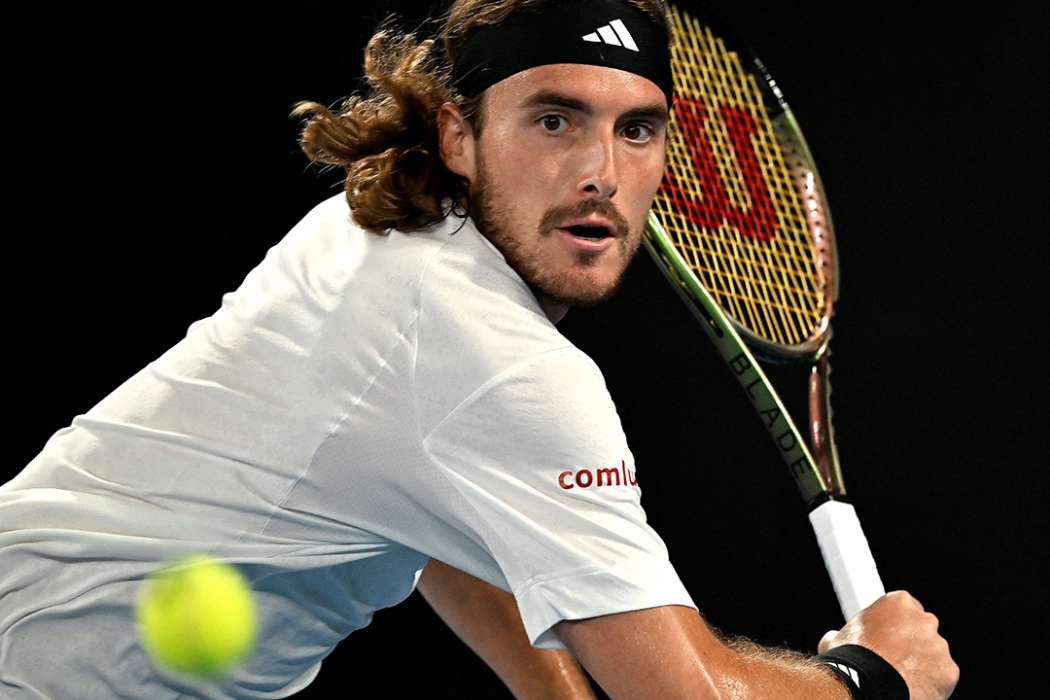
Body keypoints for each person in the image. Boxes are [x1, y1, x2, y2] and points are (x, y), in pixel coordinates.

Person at [0, 1, 957, 698]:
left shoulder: (379, 234)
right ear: (460, 136)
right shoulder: (504, 364)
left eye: (637, 131)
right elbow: (685, 693)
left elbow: (430, 494)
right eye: (554, 120)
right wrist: (873, 675)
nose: (600, 172)